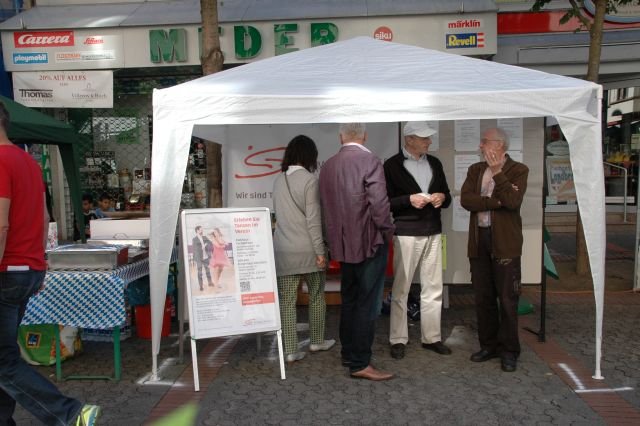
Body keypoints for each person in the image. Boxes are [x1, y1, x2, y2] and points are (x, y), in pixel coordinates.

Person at [0, 102, 100, 425]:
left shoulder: (0, 162)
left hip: (7, 271)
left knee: (2, 361)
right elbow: (44, 218)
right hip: (27, 270)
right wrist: (40, 261)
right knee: (4, 358)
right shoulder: (28, 163)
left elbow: (0, 225)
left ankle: (70, 414)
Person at [319, 123, 395, 381]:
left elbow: (325, 207)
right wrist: (388, 231)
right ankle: (360, 362)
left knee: (349, 298)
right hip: (369, 241)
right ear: (364, 135)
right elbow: (379, 203)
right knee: (366, 303)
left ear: (341, 136)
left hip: (342, 244)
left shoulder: (328, 165)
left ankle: (348, 353)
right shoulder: (370, 160)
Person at [460, 127, 529, 373]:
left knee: (508, 300)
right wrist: (493, 202)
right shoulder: (475, 170)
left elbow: (512, 202)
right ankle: (488, 345)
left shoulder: (518, 170)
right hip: (479, 241)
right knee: (483, 297)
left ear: (499, 145)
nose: (480, 146)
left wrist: (499, 174)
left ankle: (509, 351)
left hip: (505, 244)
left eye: (485, 142)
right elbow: (466, 200)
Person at [384, 121, 452, 360]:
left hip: (433, 230)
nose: (429, 141)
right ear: (408, 139)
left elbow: (448, 196)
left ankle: (431, 337)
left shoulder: (435, 163)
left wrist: (442, 196)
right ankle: (398, 338)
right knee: (401, 288)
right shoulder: (391, 165)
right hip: (405, 232)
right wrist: (408, 200)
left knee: (433, 287)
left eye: (429, 137)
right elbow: (385, 203)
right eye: (424, 138)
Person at [272, 135, 335, 363]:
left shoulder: (278, 180)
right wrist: (320, 252)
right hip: (308, 250)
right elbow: (313, 220)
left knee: (287, 301)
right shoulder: (310, 180)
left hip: (283, 249)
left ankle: (290, 350)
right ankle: (317, 341)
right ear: (310, 156)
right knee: (316, 296)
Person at [192, 225, 214, 291]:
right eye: (201, 229)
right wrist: (202, 248)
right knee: (200, 273)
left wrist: (207, 244)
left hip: (206, 257)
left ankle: (210, 283)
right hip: (199, 258)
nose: (202, 230)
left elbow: (210, 243)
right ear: (197, 230)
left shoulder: (205, 237)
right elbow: (195, 250)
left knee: (208, 271)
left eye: (202, 229)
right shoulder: (194, 239)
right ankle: (201, 286)